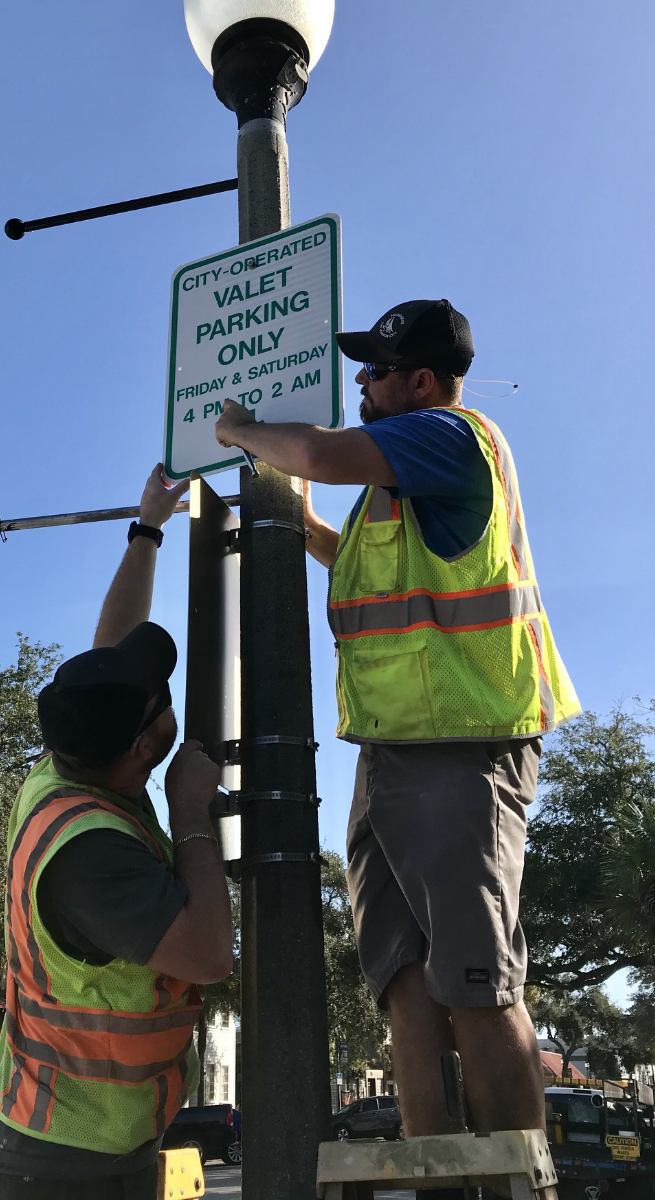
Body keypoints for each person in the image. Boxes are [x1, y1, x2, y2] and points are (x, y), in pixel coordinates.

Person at [214, 298, 580, 1139]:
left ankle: (519, 1188)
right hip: (388, 755)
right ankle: (434, 1178)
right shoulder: (399, 484)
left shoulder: (448, 437)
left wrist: (239, 430)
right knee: (405, 987)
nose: (359, 385)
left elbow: (311, 450)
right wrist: (304, 526)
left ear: (420, 381)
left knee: (478, 990)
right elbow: (372, 576)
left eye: (373, 373)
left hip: (462, 748)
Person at [0, 464, 233, 1200]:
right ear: (148, 747)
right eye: (159, 703)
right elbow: (207, 954)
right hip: (54, 1159)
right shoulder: (89, 852)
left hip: (97, 1141)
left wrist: (147, 530)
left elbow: (108, 649)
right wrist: (190, 814)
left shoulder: (82, 758)